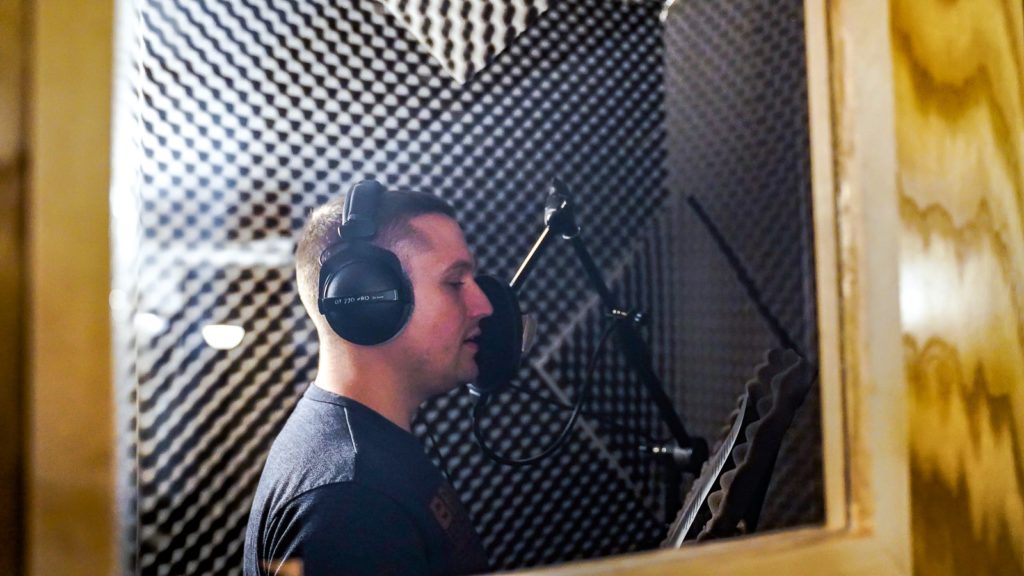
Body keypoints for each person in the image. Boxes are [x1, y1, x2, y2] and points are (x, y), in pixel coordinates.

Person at [244, 181, 493, 576]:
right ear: (371, 298)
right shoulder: (351, 502)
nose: (484, 305)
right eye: (454, 282)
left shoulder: (360, 463)